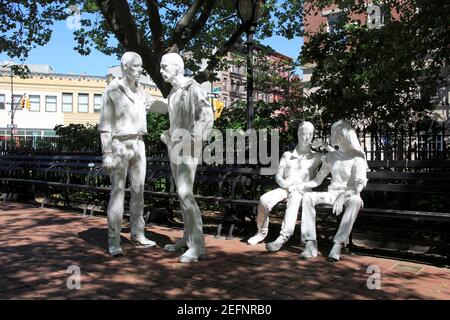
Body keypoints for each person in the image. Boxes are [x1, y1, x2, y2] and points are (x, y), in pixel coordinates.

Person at [98, 51, 159, 256]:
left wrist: (180, 99)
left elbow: (159, 106)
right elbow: (105, 124)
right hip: (119, 144)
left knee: (139, 192)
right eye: (136, 66)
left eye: (141, 66)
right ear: (125, 66)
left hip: (138, 144)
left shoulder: (141, 91)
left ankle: (137, 233)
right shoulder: (112, 91)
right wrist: (106, 151)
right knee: (117, 193)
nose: (140, 70)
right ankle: (114, 240)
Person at [158, 52, 214, 263]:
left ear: (178, 67)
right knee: (182, 196)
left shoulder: (193, 88)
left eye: (165, 67)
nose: (161, 71)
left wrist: (194, 140)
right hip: (175, 148)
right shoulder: (173, 93)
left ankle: (198, 245)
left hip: (188, 148)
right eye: (161, 67)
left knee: (185, 193)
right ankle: (187, 237)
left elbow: (206, 116)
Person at [247, 122, 332, 252]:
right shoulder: (287, 155)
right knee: (264, 200)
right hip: (285, 188)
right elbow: (278, 176)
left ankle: (283, 237)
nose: (306, 137)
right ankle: (261, 233)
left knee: (295, 198)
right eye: (304, 133)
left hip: (302, 191)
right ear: (298, 134)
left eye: (310, 134)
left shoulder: (317, 156)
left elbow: (339, 157)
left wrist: (325, 145)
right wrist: (284, 183)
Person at [295, 120, 368, 262]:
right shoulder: (331, 157)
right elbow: (317, 180)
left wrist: (343, 195)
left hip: (348, 195)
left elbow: (359, 186)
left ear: (342, 135)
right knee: (308, 197)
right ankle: (310, 243)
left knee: (356, 201)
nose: (331, 135)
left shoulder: (357, 158)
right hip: (331, 195)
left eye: (333, 133)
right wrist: (302, 185)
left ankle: (338, 244)